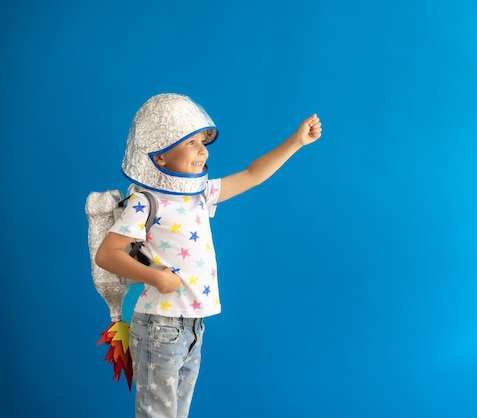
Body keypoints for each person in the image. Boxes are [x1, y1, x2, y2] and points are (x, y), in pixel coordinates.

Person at [95, 93, 322, 417]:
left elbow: (251, 174)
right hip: (161, 325)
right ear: (159, 155)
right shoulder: (145, 201)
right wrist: (156, 277)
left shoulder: (199, 193)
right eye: (190, 142)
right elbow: (107, 254)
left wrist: (296, 142)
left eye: (203, 141)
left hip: (191, 326)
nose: (202, 150)